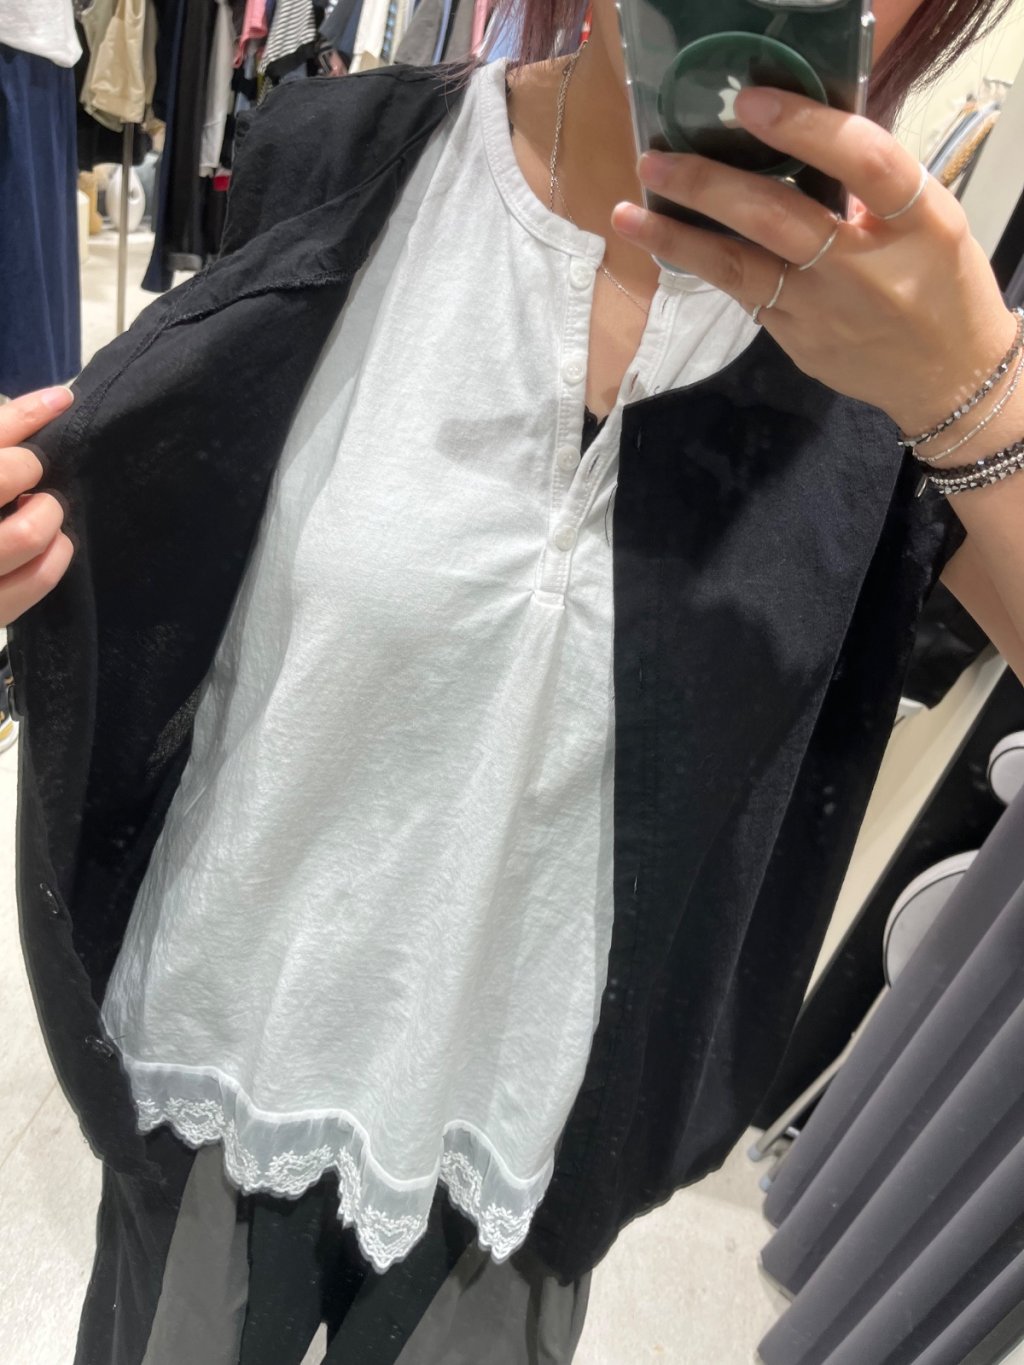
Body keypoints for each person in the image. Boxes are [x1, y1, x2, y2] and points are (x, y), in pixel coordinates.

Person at [3, 0, 1024, 1360]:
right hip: (222, 1044)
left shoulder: (908, 356)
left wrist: (973, 399)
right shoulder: (345, 160)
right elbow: (154, 538)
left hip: (522, 1150)